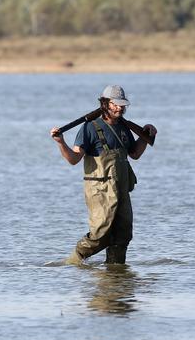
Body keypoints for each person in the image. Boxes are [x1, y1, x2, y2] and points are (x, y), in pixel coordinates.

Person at [50, 85, 157, 265]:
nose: (120, 108)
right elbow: (74, 159)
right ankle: (72, 263)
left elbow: (135, 154)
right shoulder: (90, 128)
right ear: (105, 104)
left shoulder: (124, 127)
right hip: (99, 191)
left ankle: (116, 275)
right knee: (100, 234)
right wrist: (61, 142)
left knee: (123, 235)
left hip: (121, 189)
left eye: (123, 105)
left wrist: (145, 136)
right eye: (116, 104)